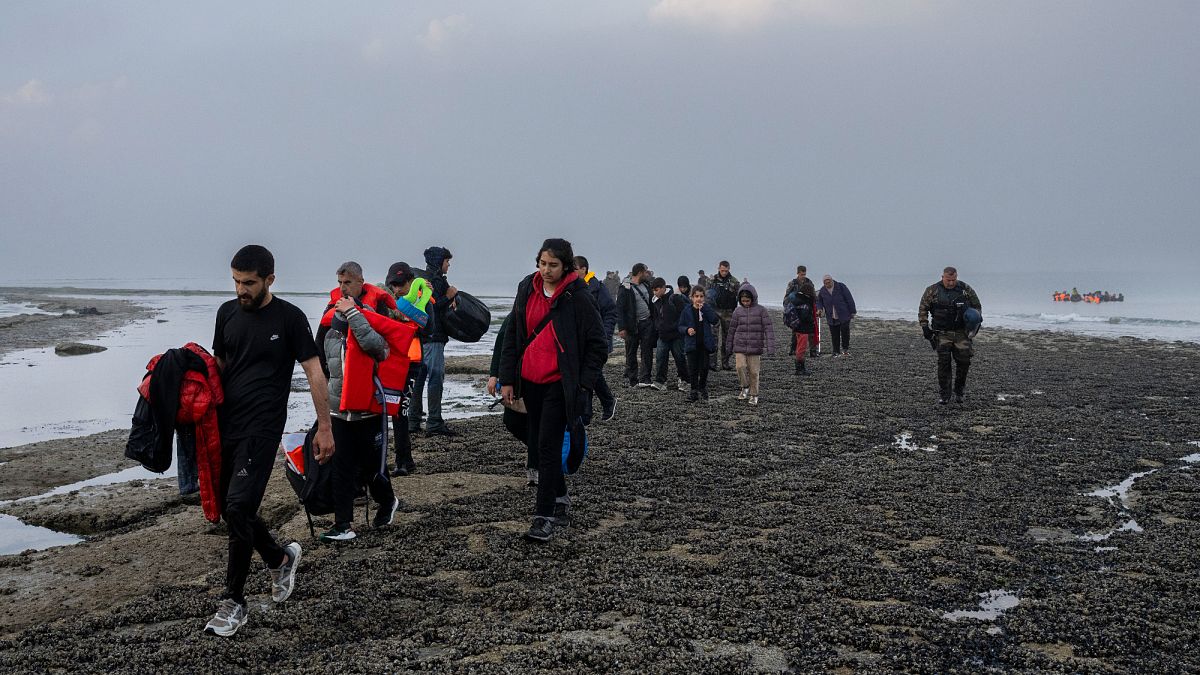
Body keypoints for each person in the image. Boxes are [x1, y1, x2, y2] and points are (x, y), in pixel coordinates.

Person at [205, 245, 335, 638]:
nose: (240, 290)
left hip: (262, 428)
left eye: (248, 283)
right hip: (227, 426)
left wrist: (325, 427)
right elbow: (220, 367)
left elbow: (314, 371)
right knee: (233, 511)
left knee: (238, 505)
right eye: (235, 281)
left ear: (269, 280)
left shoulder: (290, 318)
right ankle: (279, 559)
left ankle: (233, 602)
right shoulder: (226, 314)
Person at [499, 238, 606, 543]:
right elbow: (513, 334)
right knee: (538, 442)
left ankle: (543, 517)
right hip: (530, 382)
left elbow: (598, 344)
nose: (546, 270)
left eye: (553, 265)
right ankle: (559, 497)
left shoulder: (578, 296)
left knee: (547, 447)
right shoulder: (527, 288)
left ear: (566, 266)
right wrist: (507, 379)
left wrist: (583, 383)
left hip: (561, 384)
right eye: (542, 263)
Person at [319, 296, 401, 542]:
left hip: (368, 411)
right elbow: (323, 370)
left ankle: (387, 501)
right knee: (341, 468)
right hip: (338, 413)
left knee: (371, 465)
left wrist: (354, 314)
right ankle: (343, 525)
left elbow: (378, 348)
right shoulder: (330, 336)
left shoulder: (370, 331)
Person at [314, 261, 398, 377]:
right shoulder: (333, 306)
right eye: (340, 282)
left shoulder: (377, 305)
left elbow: (384, 345)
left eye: (347, 282)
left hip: (367, 373)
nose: (342, 288)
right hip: (338, 374)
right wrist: (321, 375)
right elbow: (319, 341)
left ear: (360, 282)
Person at [411, 246, 458, 436]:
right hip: (434, 336)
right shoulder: (436, 281)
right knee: (435, 378)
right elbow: (432, 307)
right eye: (447, 261)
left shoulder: (420, 279)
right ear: (439, 262)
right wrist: (448, 297)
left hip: (419, 336)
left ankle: (413, 421)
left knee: (418, 379)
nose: (449, 265)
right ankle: (434, 422)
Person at [919, 266, 982, 405]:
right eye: (948, 280)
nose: (951, 283)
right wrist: (924, 326)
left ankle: (959, 392)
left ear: (956, 277)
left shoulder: (965, 289)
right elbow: (923, 308)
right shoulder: (932, 290)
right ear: (943, 277)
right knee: (944, 364)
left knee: (964, 362)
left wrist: (974, 324)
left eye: (953, 280)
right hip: (942, 333)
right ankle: (944, 394)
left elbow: (977, 307)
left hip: (962, 333)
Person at [488, 313, 538, 485]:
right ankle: (540, 450)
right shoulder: (515, 316)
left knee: (534, 424)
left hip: (540, 379)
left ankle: (534, 467)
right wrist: (494, 375)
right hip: (516, 379)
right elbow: (501, 345)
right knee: (511, 422)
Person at [383, 262, 422, 476]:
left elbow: (430, 328)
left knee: (401, 411)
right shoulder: (388, 301)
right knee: (389, 410)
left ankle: (404, 462)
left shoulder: (423, 300)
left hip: (412, 364)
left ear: (411, 281)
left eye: (401, 284)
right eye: (394, 285)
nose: (397, 289)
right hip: (391, 363)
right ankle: (397, 461)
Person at [574, 255, 618, 421]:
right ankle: (591, 411)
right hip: (580, 340)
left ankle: (601, 405)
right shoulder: (573, 288)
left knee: (592, 373)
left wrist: (605, 335)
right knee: (587, 373)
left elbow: (610, 312)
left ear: (583, 269)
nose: (572, 272)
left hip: (597, 340)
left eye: (575, 269)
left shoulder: (597, 288)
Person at [726, 283, 775, 405]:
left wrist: (770, 347)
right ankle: (744, 386)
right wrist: (728, 346)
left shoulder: (761, 311)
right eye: (743, 301)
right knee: (740, 367)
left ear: (753, 298)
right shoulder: (737, 311)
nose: (745, 303)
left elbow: (769, 329)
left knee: (754, 372)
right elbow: (731, 330)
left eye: (747, 301)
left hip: (755, 347)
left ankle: (754, 394)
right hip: (740, 345)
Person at [616, 263, 655, 387]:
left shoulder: (647, 285)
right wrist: (622, 327)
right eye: (645, 272)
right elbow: (620, 308)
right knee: (631, 352)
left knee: (647, 351)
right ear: (640, 272)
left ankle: (645, 378)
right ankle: (633, 379)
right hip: (632, 325)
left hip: (647, 323)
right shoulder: (625, 287)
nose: (647, 274)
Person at [678, 285, 719, 401]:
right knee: (693, 369)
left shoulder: (706, 309)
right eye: (696, 296)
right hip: (691, 344)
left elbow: (715, 320)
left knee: (705, 368)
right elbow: (680, 326)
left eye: (701, 296)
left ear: (704, 297)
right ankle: (693, 390)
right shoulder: (687, 310)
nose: (699, 299)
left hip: (704, 344)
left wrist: (705, 309)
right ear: (692, 297)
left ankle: (702, 387)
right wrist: (687, 330)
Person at [649, 277, 689, 391]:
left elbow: (683, 313)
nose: (655, 293)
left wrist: (677, 326)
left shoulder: (675, 297)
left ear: (663, 288)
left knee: (680, 358)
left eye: (656, 290)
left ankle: (684, 380)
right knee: (660, 358)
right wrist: (658, 326)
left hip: (676, 335)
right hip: (663, 335)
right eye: (653, 290)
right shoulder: (655, 301)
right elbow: (655, 316)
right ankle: (660, 381)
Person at [706, 261, 740, 370]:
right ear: (718, 269)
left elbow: (740, 296)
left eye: (726, 270)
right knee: (713, 337)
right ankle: (712, 363)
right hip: (714, 310)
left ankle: (725, 362)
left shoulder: (734, 281)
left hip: (728, 312)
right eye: (722, 270)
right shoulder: (711, 281)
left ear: (729, 269)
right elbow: (706, 295)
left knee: (727, 338)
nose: (724, 272)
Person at [816, 274, 856, 357]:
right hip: (831, 316)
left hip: (844, 314)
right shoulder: (823, 290)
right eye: (826, 283)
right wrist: (819, 309)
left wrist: (852, 311)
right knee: (834, 334)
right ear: (824, 283)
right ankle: (836, 351)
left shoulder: (841, 286)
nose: (828, 284)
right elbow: (819, 301)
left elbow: (849, 298)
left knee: (845, 333)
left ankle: (845, 349)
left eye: (829, 282)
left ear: (832, 281)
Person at [783, 265, 818, 358]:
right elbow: (787, 297)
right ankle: (793, 350)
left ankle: (813, 351)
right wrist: (787, 308)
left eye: (804, 274)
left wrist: (816, 307)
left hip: (808, 308)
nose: (803, 276)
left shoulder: (809, 282)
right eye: (802, 274)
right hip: (796, 310)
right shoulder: (792, 283)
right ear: (798, 273)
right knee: (796, 331)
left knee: (811, 331)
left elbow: (813, 295)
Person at [783, 289, 815, 375]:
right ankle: (800, 369)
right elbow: (805, 317)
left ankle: (800, 368)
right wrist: (811, 319)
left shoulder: (796, 300)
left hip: (796, 328)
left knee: (799, 347)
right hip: (803, 329)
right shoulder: (805, 302)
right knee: (801, 348)